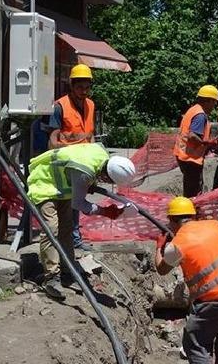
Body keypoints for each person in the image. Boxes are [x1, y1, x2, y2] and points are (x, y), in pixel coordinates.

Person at [26, 142, 136, 300]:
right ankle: (51, 276)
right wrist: (105, 211)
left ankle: (67, 269)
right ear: (107, 174)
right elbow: (79, 204)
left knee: (66, 229)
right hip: (45, 183)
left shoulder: (102, 154)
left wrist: (90, 184)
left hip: (64, 187)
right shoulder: (84, 172)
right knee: (51, 229)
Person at [154, 197, 218, 364]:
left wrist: (159, 247)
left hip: (216, 299)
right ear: (193, 216)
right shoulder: (213, 225)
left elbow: (161, 269)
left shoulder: (177, 245)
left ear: (172, 220)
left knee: (195, 342)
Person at [48, 63, 96, 251]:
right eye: (79, 87)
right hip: (66, 162)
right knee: (68, 202)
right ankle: (71, 239)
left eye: (87, 87)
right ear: (72, 85)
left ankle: (73, 239)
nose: (83, 91)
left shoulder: (90, 105)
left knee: (77, 200)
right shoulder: (60, 107)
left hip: (84, 161)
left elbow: (90, 134)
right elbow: (53, 137)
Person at [173, 85, 218, 197]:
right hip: (191, 159)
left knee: (190, 189)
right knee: (193, 192)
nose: (214, 106)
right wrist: (207, 143)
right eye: (214, 102)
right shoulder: (200, 115)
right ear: (208, 101)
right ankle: (191, 212)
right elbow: (192, 136)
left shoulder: (193, 109)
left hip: (184, 155)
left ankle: (189, 211)